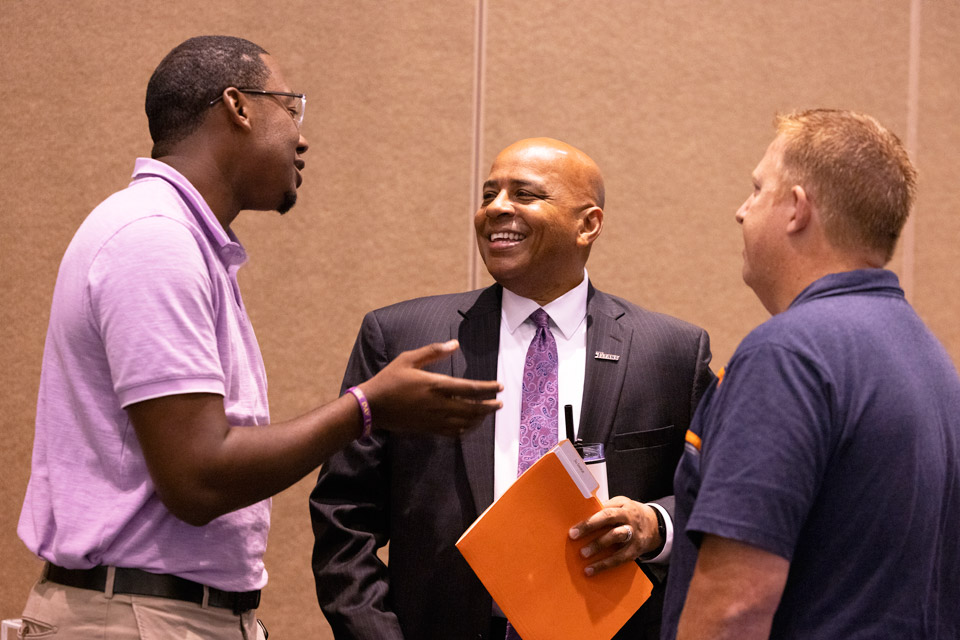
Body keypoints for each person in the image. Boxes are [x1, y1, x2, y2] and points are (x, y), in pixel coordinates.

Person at [16, 35, 501, 640]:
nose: (302, 136)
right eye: (290, 108)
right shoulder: (153, 239)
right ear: (238, 108)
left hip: (166, 615)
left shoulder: (184, 241)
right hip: (136, 620)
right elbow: (198, 479)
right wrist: (368, 408)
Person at [310, 137, 715, 640]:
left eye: (524, 194)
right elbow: (344, 515)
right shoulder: (403, 339)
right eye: (488, 195)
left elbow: (717, 497)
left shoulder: (672, 352)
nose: (496, 209)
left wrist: (655, 524)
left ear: (588, 224)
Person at [661, 109, 960, 639]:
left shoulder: (788, 357)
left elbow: (734, 611)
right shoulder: (932, 362)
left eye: (757, 190)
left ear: (796, 209)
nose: (741, 211)